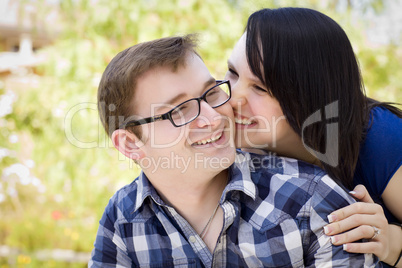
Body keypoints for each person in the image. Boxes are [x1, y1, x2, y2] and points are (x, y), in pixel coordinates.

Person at [89, 35, 379, 267]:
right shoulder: (122, 219)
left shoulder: (310, 200)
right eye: (180, 110)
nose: (214, 118)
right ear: (130, 144)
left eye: (211, 93)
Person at [225, 7, 402, 267]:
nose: (232, 97)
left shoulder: (380, 138)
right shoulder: (230, 147)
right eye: (233, 72)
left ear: (309, 98)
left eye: (260, 88)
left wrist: (391, 243)